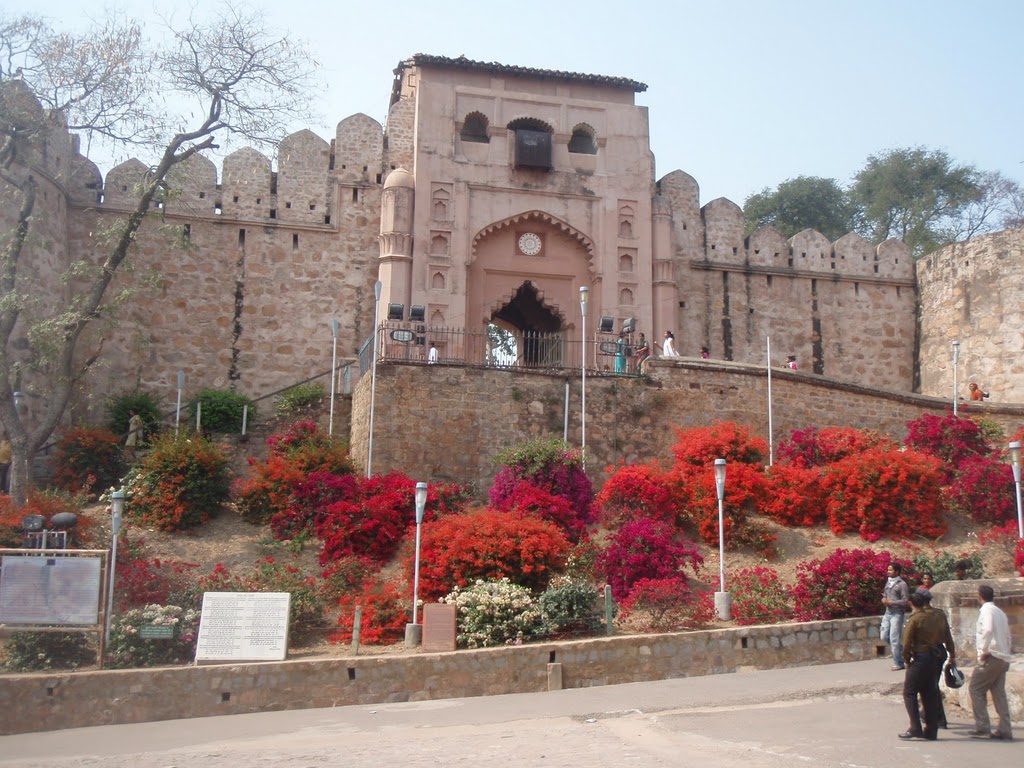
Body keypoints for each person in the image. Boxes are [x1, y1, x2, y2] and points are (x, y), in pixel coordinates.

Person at [899, 590, 955, 741]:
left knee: (909, 692)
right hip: (935, 655)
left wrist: (906, 659)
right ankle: (932, 729)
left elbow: (906, 643)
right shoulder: (937, 614)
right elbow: (948, 636)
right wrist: (953, 654)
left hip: (921, 657)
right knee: (929, 692)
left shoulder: (916, 618)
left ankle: (915, 727)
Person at [968, 584, 1013, 740]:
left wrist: (983, 650)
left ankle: (983, 727)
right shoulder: (999, 612)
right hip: (1002, 656)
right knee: (998, 693)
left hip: (991, 655)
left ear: (979, 596)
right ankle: (1005, 728)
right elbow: (1008, 635)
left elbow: (987, 630)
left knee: (975, 688)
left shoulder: (986, 611)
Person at [881, 562, 909, 671]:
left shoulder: (902, 584)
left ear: (897, 572)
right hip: (887, 612)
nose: (888, 572)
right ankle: (900, 651)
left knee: (894, 638)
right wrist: (884, 600)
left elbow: (905, 601)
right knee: (884, 636)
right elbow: (885, 595)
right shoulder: (888, 583)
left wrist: (891, 603)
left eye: (891, 570)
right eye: (888, 570)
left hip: (897, 613)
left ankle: (898, 662)